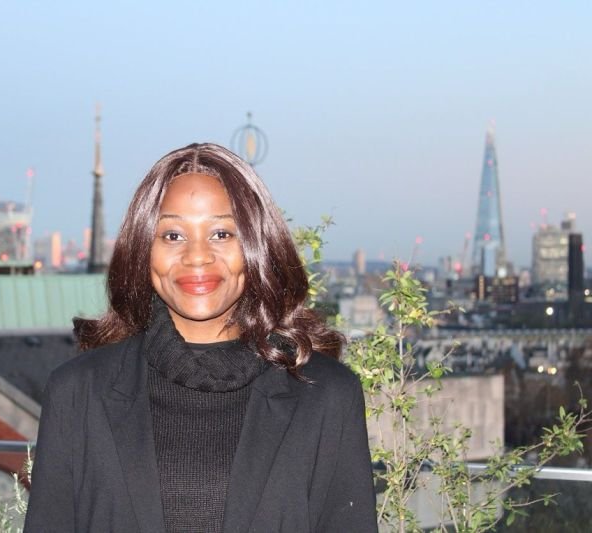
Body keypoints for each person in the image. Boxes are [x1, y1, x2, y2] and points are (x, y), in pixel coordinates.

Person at [24, 143, 377, 532]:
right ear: (144, 250)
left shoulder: (326, 395)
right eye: (173, 235)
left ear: (256, 247)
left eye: (222, 233)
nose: (196, 256)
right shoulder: (78, 391)